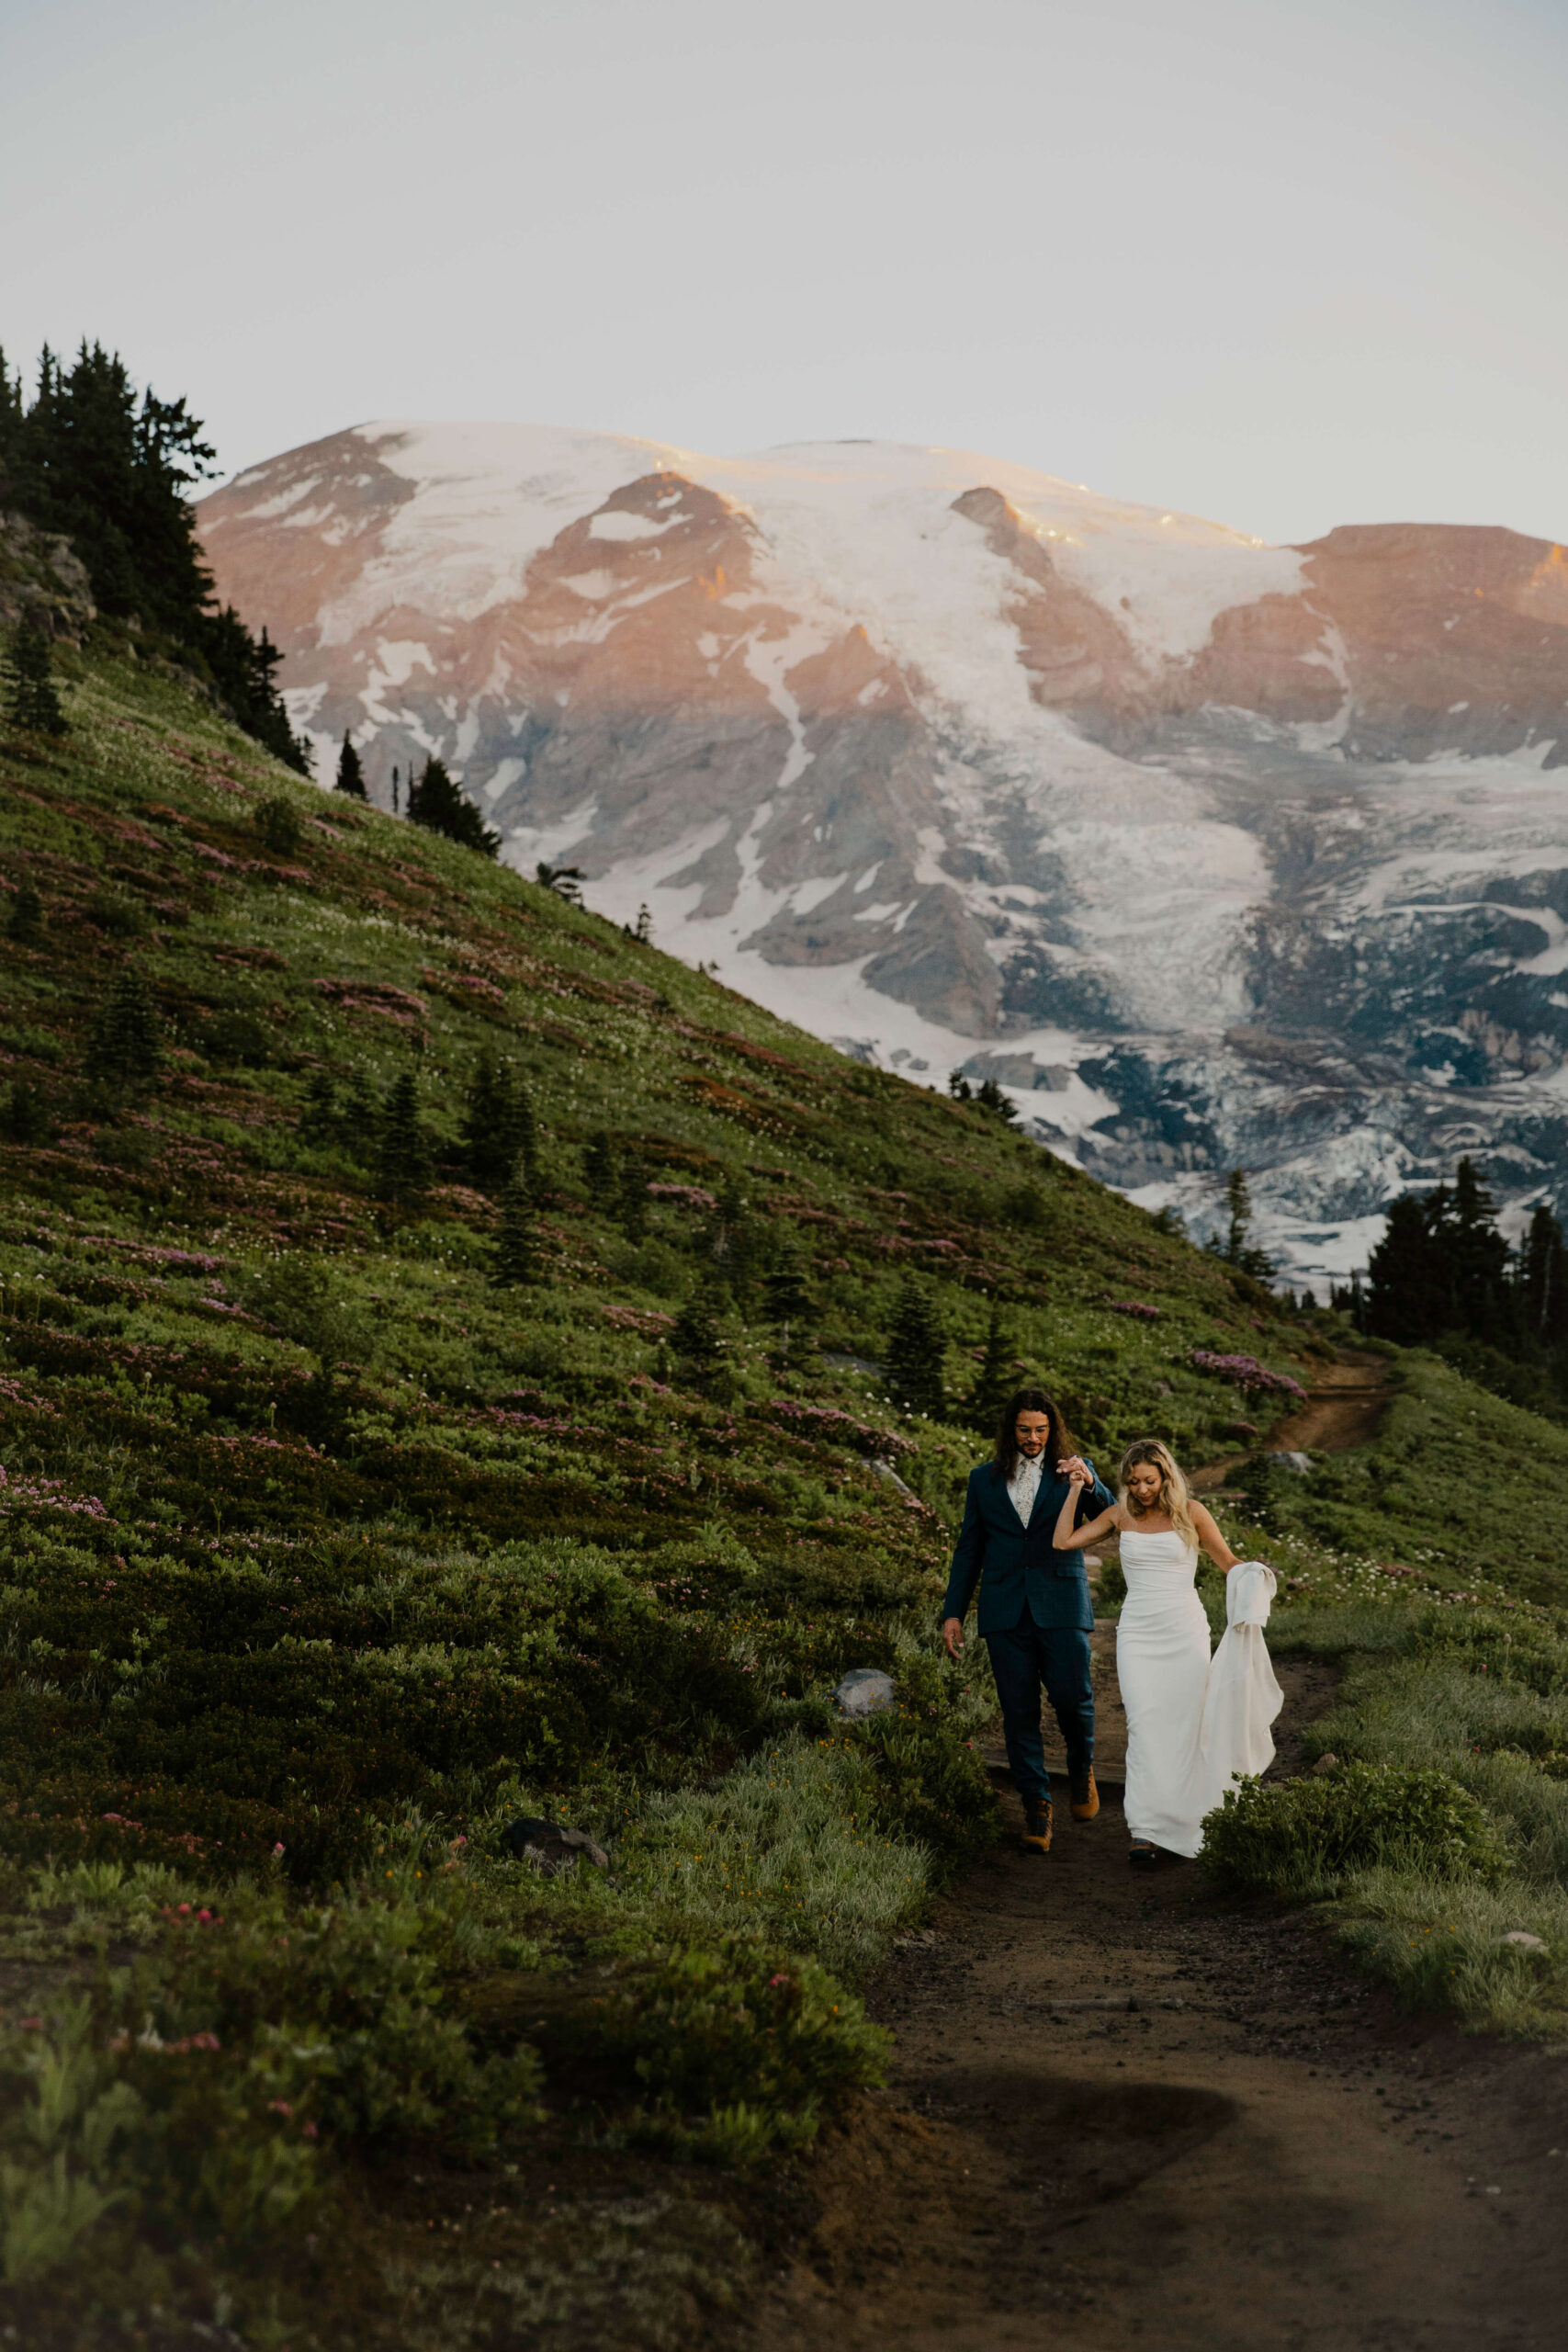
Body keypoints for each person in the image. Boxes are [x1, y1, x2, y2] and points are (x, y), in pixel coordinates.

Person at [942, 1387, 1114, 1855]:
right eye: (1025, 1429)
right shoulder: (982, 1480)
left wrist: (1091, 1483)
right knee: (1018, 1711)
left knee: (1071, 1699)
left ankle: (1081, 1771)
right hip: (1003, 1609)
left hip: (1061, 1601)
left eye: (1041, 1429)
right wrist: (953, 1611)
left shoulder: (1072, 1470)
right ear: (1010, 1430)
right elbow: (968, 1549)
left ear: (1052, 1429)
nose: (1034, 1437)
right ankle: (1037, 1805)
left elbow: (1113, 1517)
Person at [1054, 1437, 1237, 1867]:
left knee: (1187, 1726)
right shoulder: (1119, 1516)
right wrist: (1077, 1488)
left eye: (1149, 1481)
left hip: (1185, 1632)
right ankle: (1145, 1830)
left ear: (1166, 1477)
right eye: (1133, 1481)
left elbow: (1228, 1562)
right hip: (1137, 1633)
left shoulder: (1193, 1514)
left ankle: (1189, 1820)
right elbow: (1063, 1542)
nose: (1141, 1489)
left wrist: (1256, 1579)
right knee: (1143, 1725)